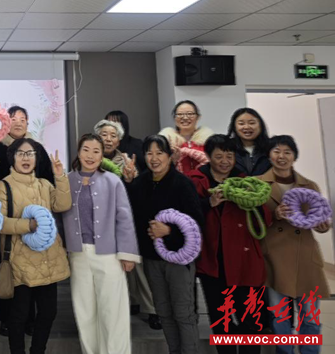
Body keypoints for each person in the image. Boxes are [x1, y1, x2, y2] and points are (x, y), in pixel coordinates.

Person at [188, 135, 269, 354]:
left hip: (244, 261)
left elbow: (263, 219)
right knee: (221, 319)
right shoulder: (196, 181)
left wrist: (252, 200)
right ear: (208, 156)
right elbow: (186, 215)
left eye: (229, 156)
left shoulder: (246, 182)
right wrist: (209, 203)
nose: (225, 161)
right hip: (213, 262)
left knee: (250, 319)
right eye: (219, 156)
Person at [126, 135, 204, 354]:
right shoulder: (140, 183)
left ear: (170, 156)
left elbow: (197, 222)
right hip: (152, 259)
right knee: (164, 312)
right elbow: (130, 215)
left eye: (159, 153)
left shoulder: (182, 184)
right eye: (149, 153)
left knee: (183, 313)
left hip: (179, 259)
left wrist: (169, 231)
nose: (154, 158)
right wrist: (128, 183)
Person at [63, 134, 140, 354]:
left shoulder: (112, 181)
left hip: (109, 254)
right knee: (85, 312)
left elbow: (124, 218)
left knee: (112, 311)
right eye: (86, 150)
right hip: (78, 255)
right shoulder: (67, 180)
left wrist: (127, 254)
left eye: (96, 151)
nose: (90, 155)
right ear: (78, 152)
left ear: (102, 155)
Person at [0, 137, 70, 354]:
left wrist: (60, 176)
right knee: (18, 316)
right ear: (12, 158)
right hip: (20, 260)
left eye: (30, 154)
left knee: (48, 313)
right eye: (21, 154)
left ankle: (38, 350)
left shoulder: (45, 184)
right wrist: (28, 225)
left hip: (48, 259)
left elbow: (63, 204)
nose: (26, 158)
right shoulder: (3, 185)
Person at [259, 135, 330, 354]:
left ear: (294, 156)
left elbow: (319, 219)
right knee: (279, 317)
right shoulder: (259, 185)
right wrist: (274, 215)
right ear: (269, 155)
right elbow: (252, 221)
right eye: (277, 151)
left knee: (310, 317)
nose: (282, 156)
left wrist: (322, 225)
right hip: (275, 257)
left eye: (287, 152)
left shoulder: (309, 185)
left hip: (305, 257)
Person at [94, 118, 159, 329]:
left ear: (119, 141)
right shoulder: (89, 158)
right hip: (99, 221)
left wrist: (131, 179)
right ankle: (129, 302)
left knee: (134, 264)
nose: (108, 139)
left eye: (113, 136)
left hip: (125, 219)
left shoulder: (126, 161)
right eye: (104, 135)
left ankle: (151, 309)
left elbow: (137, 194)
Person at [0, 106, 54, 185]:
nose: (18, 124)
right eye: (13, 120)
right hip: (4, 192)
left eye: (22, 120)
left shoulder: (37, 148)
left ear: (27, 124)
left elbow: (48, 176)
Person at [159, 100, 213, 176]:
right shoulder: (166, 141)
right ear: (174, 118)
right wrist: (172, 161)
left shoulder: (209, 140)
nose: (185, 117)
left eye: (190, 114)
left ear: (198, 117)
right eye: (180, 114)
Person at [227, 107, 272, 177]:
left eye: (252, 123)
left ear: (260, 125)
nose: (247, 127)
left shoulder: (271, 147)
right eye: (241, 124)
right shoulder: (227, 147)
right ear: (234, 127)